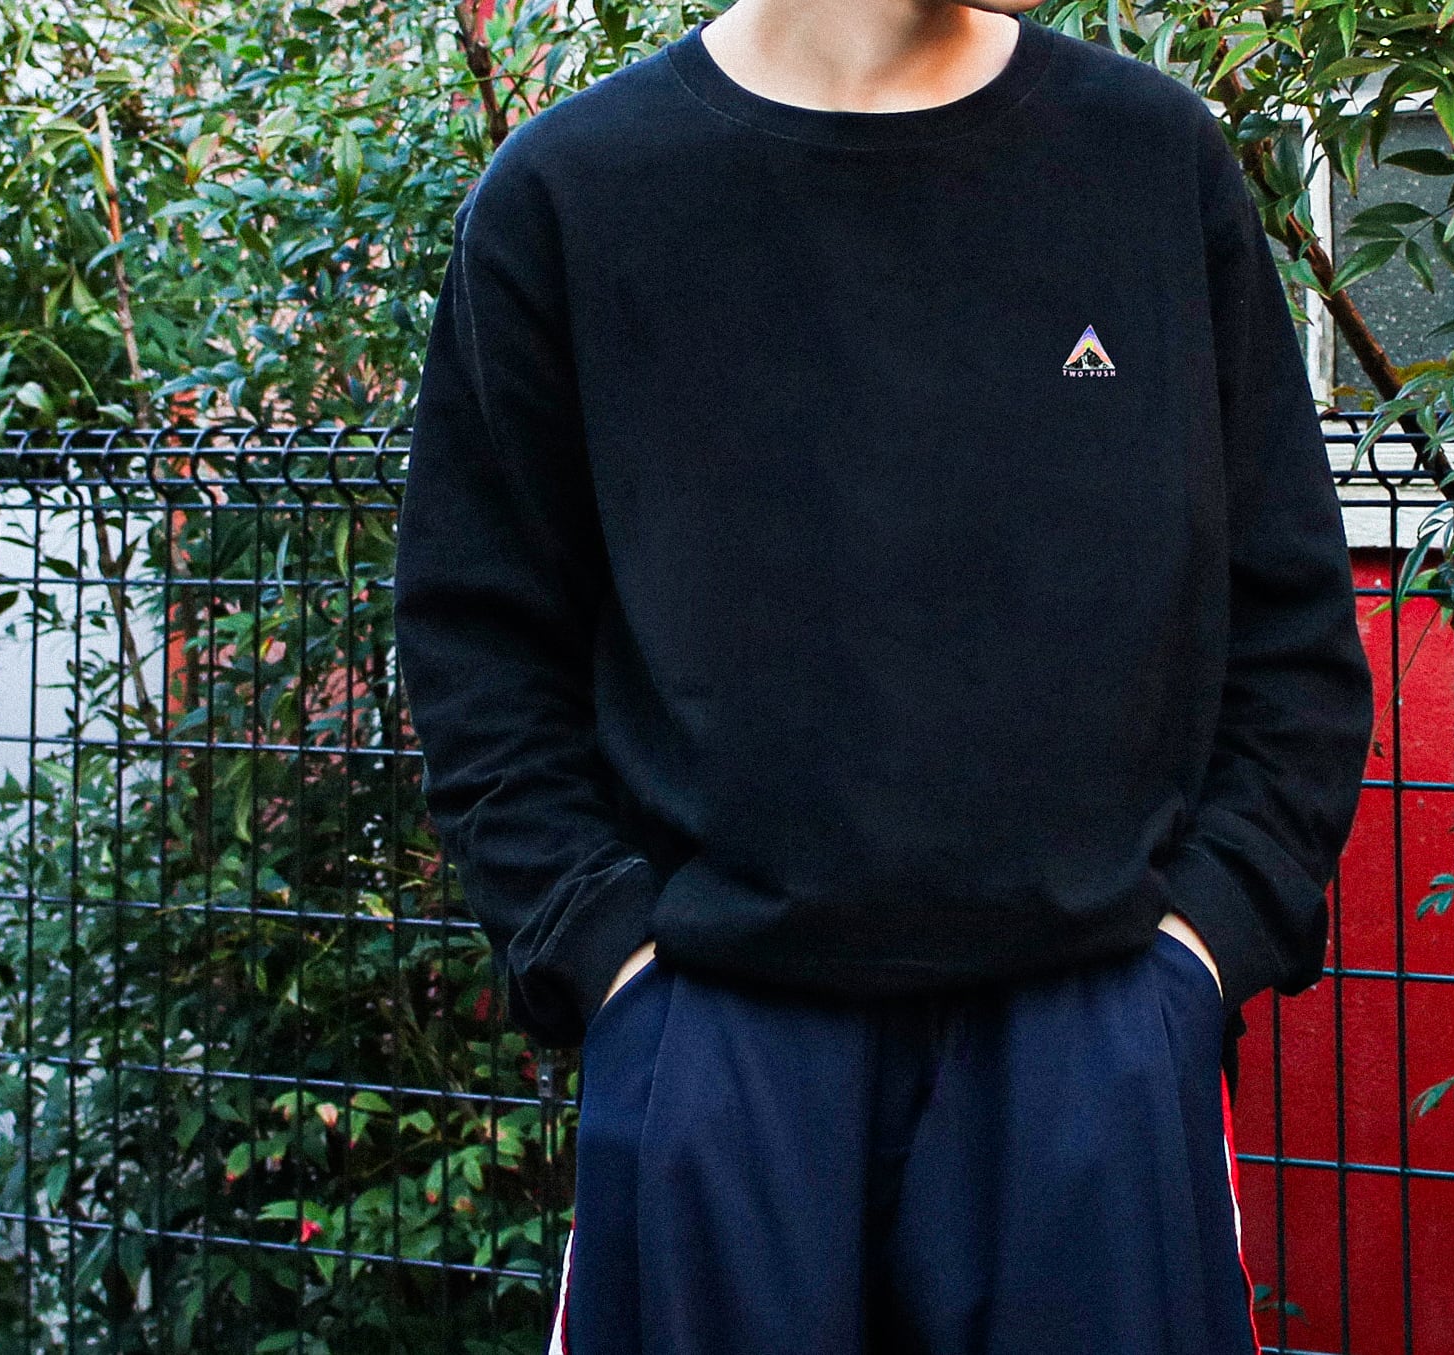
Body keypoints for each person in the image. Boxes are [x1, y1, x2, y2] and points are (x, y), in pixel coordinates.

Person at [392, 0, 1374, 1350]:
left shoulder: (1147, 160)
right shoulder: (575, 190)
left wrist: (1196, 953)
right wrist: (609, 962)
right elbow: (479, 644)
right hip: (720, 1053)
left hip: (1091, 1047)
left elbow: (1290, 620)